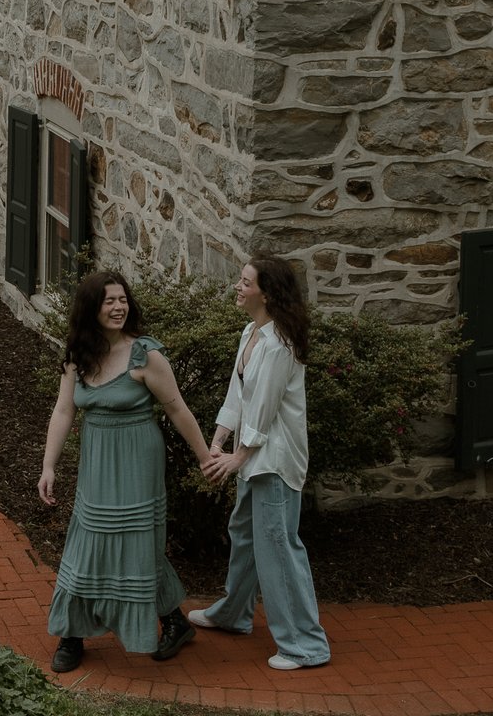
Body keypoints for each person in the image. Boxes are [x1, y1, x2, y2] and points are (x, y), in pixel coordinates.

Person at [38, 270, 216, 673]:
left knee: (139, 544)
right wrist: (48, 466)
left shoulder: (146, 355)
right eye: (109, 302)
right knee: (88, 542)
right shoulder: (77, 356)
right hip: (98, 459)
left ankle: (171, 621)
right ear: (91, 309)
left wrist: (205, 457)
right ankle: (73, 633)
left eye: (123, 300)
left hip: (138, 460)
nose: (119, 307)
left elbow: (177, 409)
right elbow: (64, 410)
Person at [191, 253, 332, 670]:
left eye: (246, 282)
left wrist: (237, 458)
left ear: (267, 294)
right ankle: (234, 614)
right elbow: (239, 398)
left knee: (278, 547)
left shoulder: (278, 345)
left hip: (275, 461)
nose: (238, 286)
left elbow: (265, 411)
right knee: (245, 536)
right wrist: (217, 442)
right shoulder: (251, 333)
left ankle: (306, 646)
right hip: (253, 457)